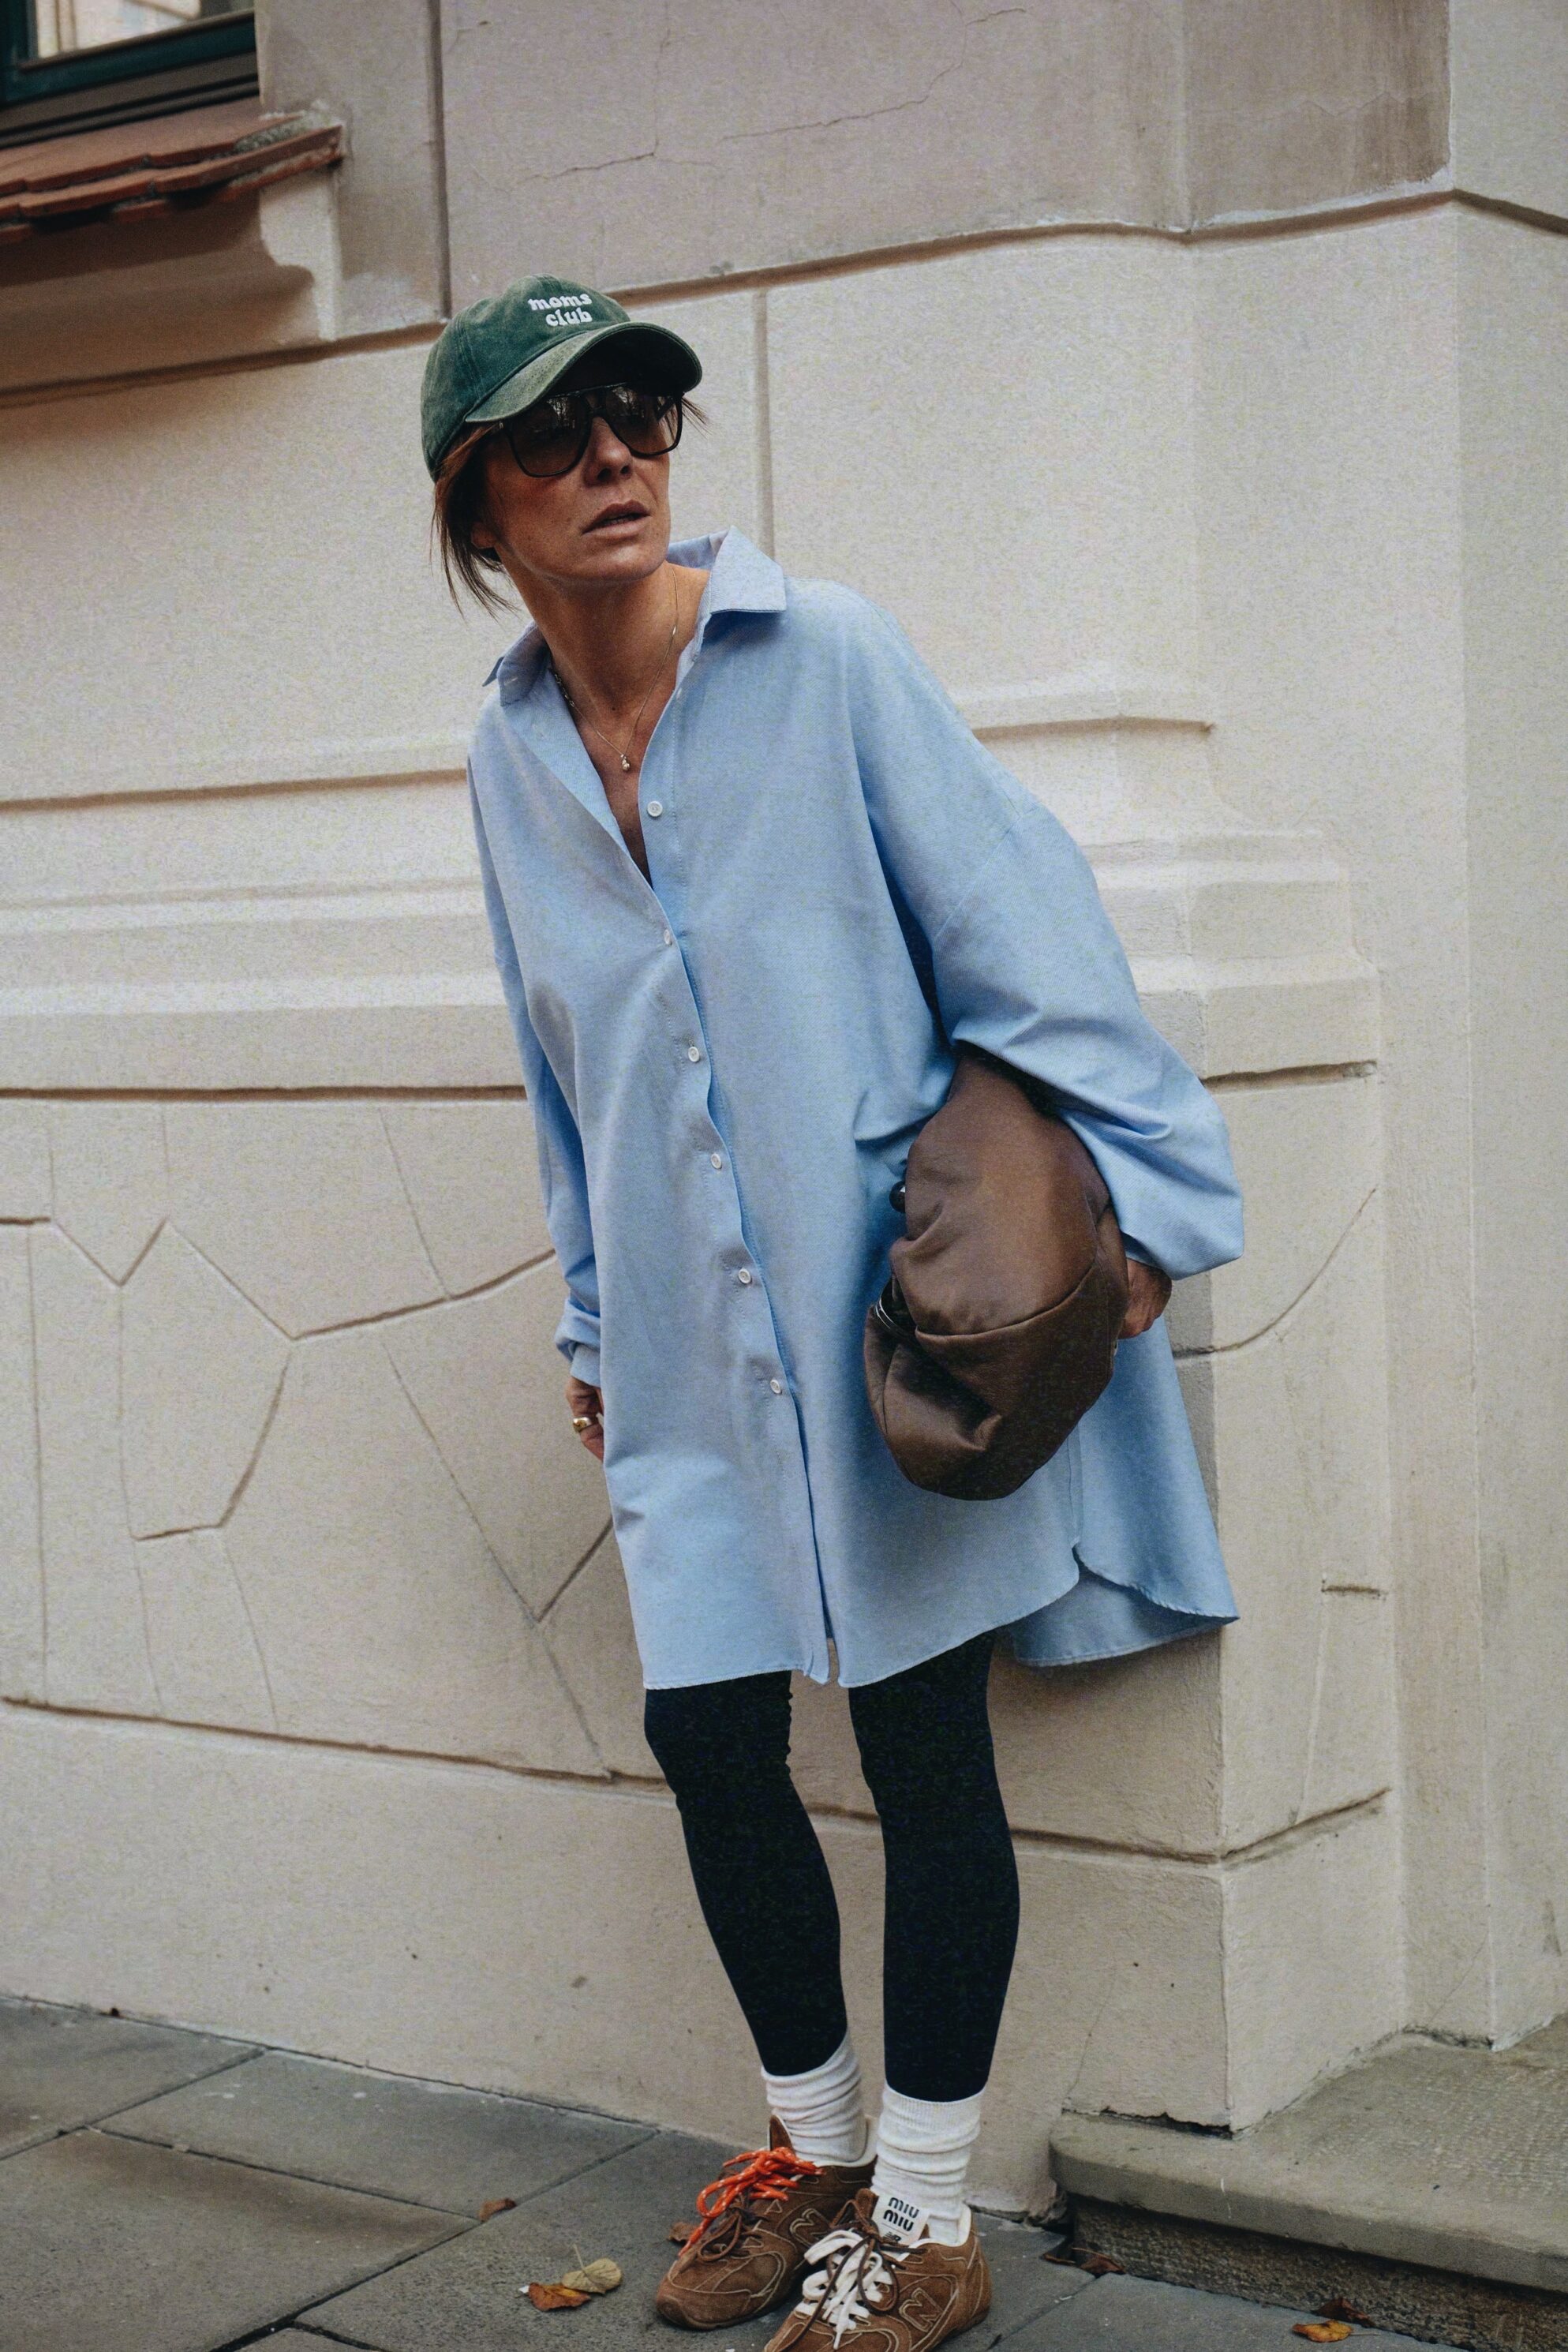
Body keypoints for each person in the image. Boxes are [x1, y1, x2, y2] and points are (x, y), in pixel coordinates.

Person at [421, 275, 1243, 2352]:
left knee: (920, 1742)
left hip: (892, 1331)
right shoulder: (507, 757)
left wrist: (1148, 1215)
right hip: (682, 1348)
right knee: (706, 1733)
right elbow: (560, 1071)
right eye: (556, 431)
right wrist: (592, 1325)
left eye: (641, 411)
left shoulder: (828, 656)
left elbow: (1023, 930)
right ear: (478, 498)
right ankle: (811, 2153)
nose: (616, 455)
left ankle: (932, 2216)